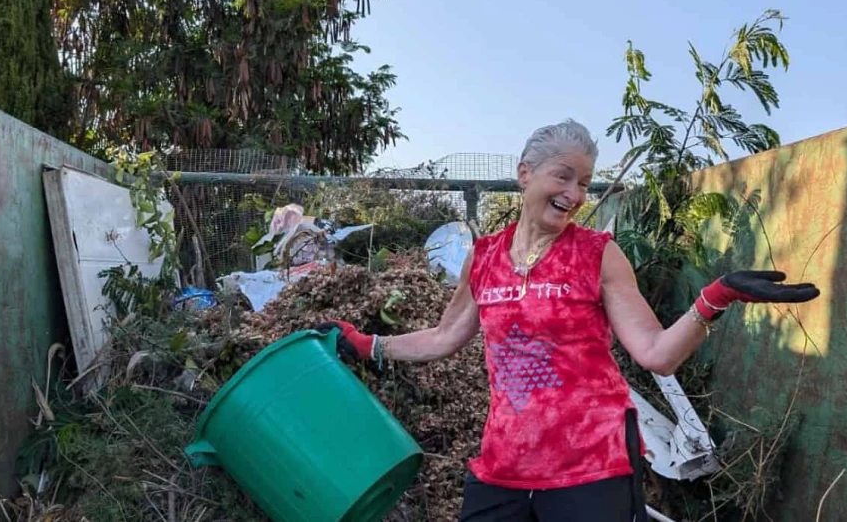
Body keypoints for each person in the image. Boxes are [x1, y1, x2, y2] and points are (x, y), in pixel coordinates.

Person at [319, 118, 820, 521]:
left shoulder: (598, 255)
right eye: (563, 176)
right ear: (524, 174)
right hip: (504, 466)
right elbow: (445, 336)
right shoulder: (485, 256)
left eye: (583, 182)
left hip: (592, 469)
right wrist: (368, 346)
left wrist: (718, 295)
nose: (576, 194)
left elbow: (656, 354)